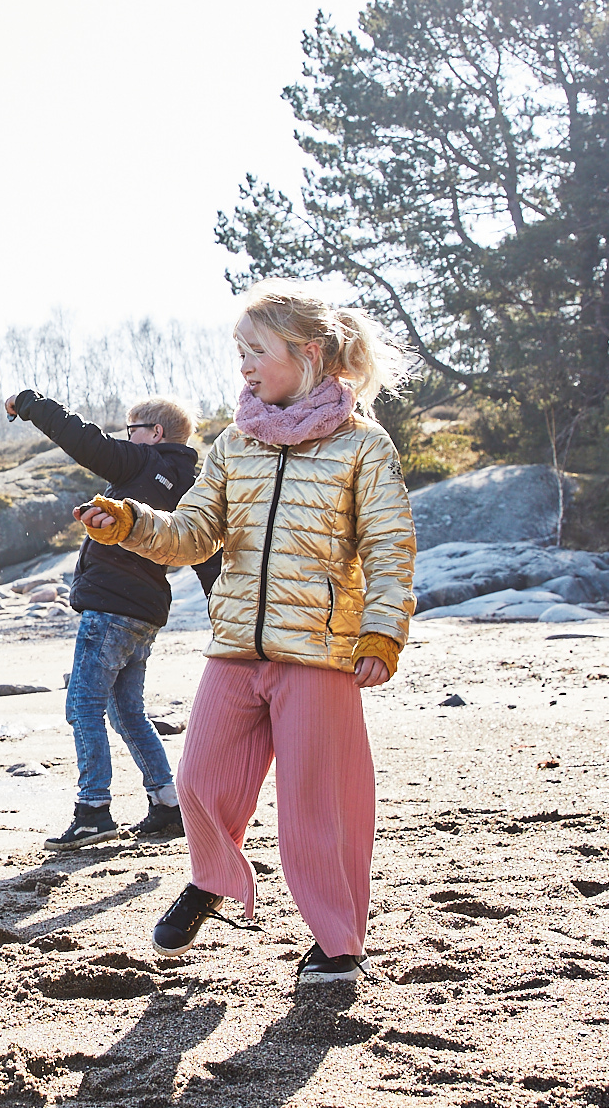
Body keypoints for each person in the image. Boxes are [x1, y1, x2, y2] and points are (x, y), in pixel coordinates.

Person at [77, 279, 416, 985]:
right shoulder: (234, 445)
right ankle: (212, 879)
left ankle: (336, 943)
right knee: (198, 778)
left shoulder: (363, 447)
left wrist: (381, 634)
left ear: (309, 353)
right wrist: (134, 523)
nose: (245, 366)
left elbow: (389, 548)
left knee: (320, 805)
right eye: (239, 353)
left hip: (321, 654)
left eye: (256, 351)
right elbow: (194, 534)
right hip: (235, 648)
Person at [2, 390, 220, 849]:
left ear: (154, 434)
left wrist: (29, 403)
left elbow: (84, 441)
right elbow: (207, 554)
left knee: (82, 706)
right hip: (145, 616)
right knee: (127, 713)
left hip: (110, 609)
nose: (125, 438)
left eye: (131, 430)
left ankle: (93, 810)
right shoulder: (190, 484)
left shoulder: (141, 464)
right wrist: (224, 614)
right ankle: (167, 804)